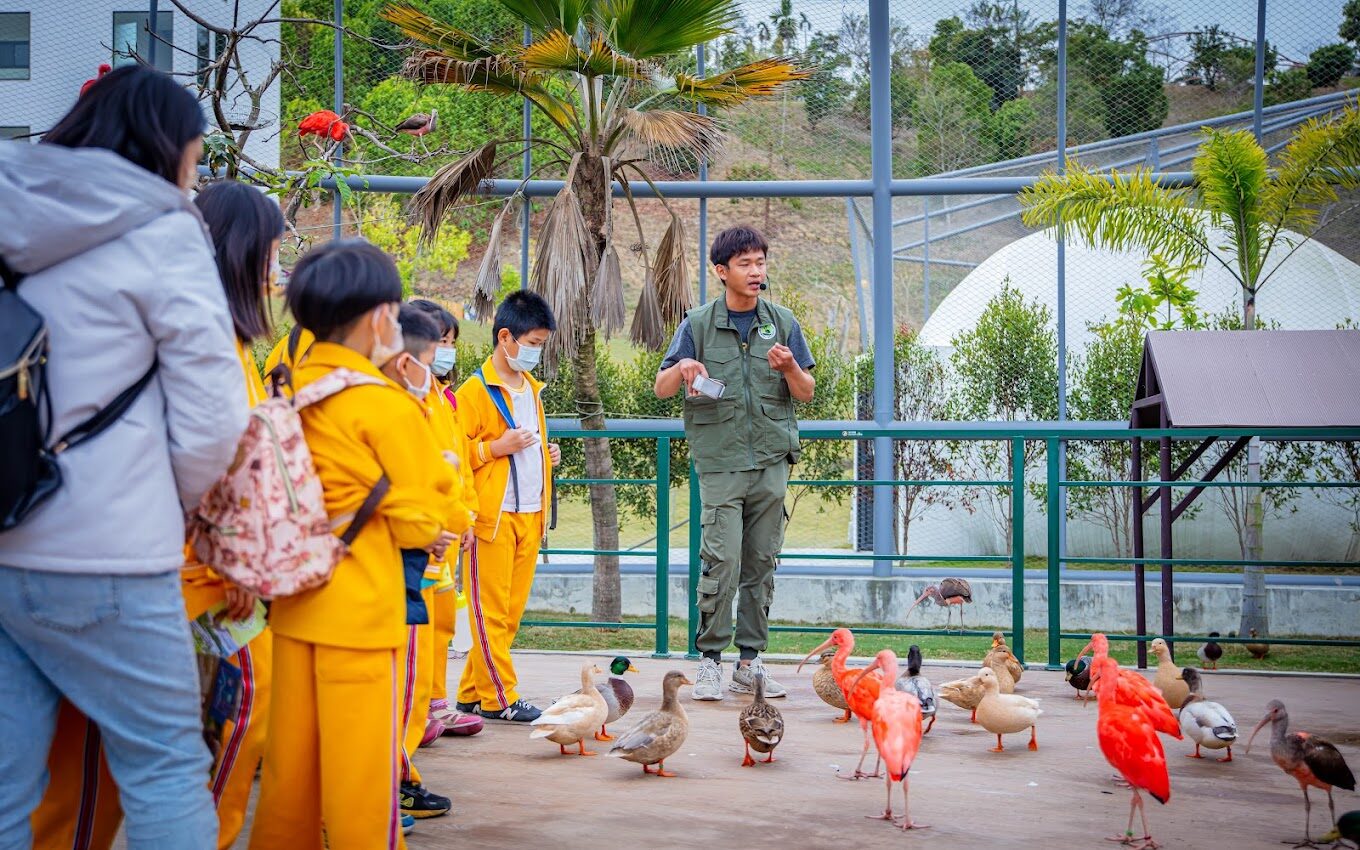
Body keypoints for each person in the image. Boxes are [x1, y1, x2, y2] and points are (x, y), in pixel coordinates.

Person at [0, 66, 248, 849]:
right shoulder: (166, 231)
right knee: (164, 768)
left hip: (5, 537)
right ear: (168, 145)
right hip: (111, 556)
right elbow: (215, 416)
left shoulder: (10, 207)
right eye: (196, 155)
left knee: (3, 783)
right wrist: (170, 502)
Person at [29, 180, 285, 850]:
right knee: (96, 754)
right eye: (269, 253)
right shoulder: (186, 336)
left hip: (175, 571)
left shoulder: (220, 339)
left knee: (111, 751)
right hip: (155, 571)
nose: (275, 270)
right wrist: (229, 559)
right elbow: (196, 462)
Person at [247, 240, 466, 850]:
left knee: (290, 780)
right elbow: (423, 522)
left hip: (293, 609)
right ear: (378, 317)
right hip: (362, 614)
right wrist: (446, 473)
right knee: (361, 787)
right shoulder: (383, 404)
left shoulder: (288, 388)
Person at [654, 225, 815, 702]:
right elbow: (661, 388)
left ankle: (750, 662)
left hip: (770, 461)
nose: (756, 271)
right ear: (722, 271)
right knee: (721, 561)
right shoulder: (698, 324)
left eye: (761, 262)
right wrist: (682, 367)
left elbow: (806, 392)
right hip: (721, 463)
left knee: (761, 563)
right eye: (745, 263)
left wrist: (789, 368)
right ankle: (709, 660)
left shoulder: (782, 322)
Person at [454, 290, 560, 723]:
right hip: (492, 519)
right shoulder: (473, 392)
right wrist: (494, 448)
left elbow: (527, 444)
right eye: (532, 344)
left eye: (541, 345)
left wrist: (546, 456)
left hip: (530, 514)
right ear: (505, 337)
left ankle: (470, 693)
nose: (536, 353)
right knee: (489, 614)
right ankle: (501, 698)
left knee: (508, 616)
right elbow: (454, 454)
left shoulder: (531, 389)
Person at [378, 305, 458, 821]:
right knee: (401, 687)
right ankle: (390, 784)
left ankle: (398, 776)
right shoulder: (389, 407)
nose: (439, 363)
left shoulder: (428, 400)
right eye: (434, 353)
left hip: (424, 561)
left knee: (412, 684)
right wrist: (433, 527)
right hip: (402, 567)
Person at [407, 299, 483, 739]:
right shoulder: (415, 399)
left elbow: (460, 467)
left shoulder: (445, 398)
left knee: (442, 622)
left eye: (452, 342)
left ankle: (434, 704)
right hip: (425, 529)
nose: (447, 351)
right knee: (420, 622)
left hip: (449, 528)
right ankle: (416, 710)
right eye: (440, 342)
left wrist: (467, 515)